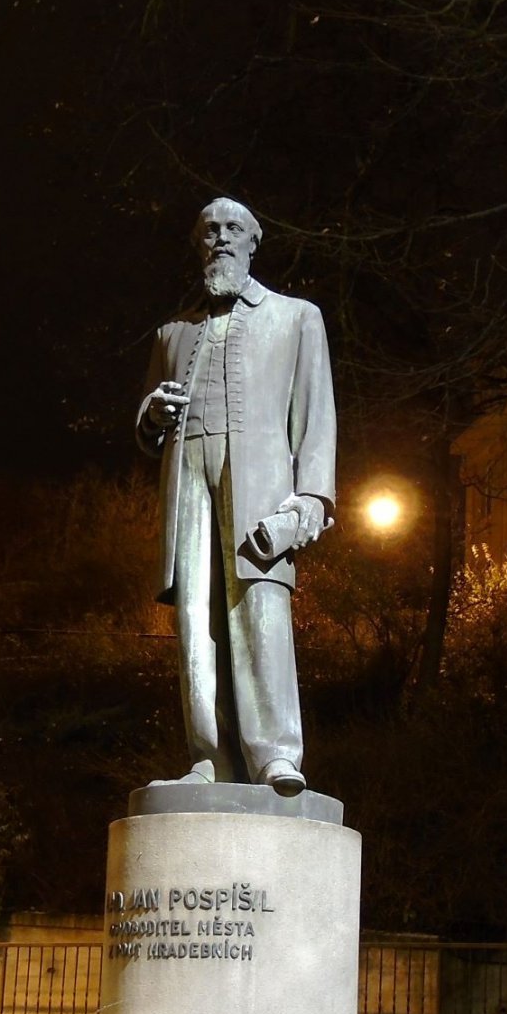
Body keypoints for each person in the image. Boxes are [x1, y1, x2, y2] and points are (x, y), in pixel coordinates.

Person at [137, 197, 336, 797]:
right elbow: (148, 428)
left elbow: (317, 422)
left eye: (231, 229)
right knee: (197, 619)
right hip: (188, 479)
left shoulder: (297, 317)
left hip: (260, 488)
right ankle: (210, 757)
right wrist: (150, 415)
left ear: (254, 241)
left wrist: (309, 505)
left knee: (259, 608)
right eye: (207, 231)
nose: (218, 239)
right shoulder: (173, 333)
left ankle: (276, 753)